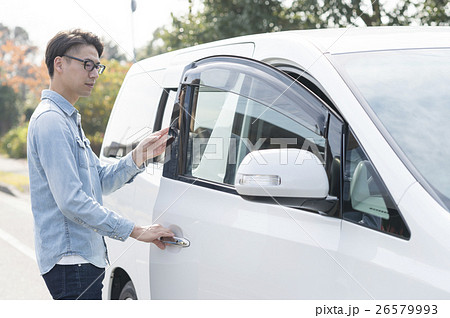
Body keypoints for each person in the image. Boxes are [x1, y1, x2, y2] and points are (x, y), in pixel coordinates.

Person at [27, 29, 174, 300]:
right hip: (72, 261)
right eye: (87, 65)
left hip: (83, 259)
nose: (95, 73)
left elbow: (100, 180)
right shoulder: (51, 121)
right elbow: (71, 201)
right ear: (59, 64)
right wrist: (137, 231)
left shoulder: (68, 120)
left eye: (98, 66)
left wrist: (137, 156)